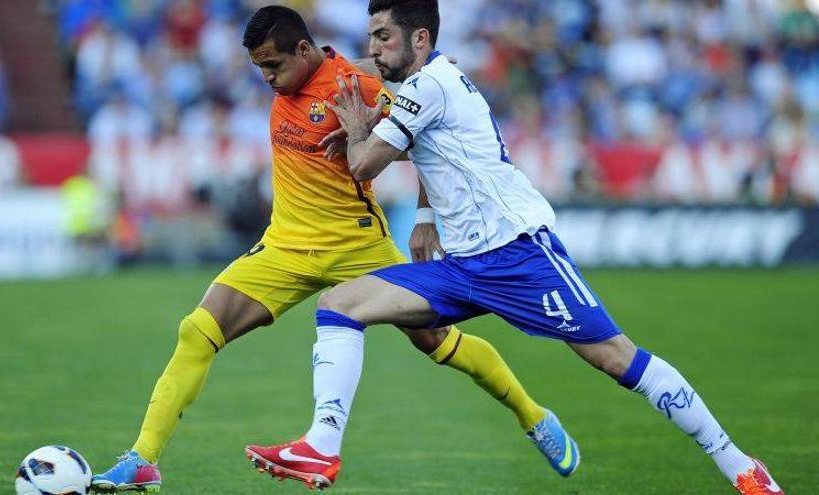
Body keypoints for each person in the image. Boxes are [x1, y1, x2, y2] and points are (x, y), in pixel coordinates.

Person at [244, 2, 784, 494]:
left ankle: (739, 464)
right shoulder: (426, 84)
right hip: (462, 266)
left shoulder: (428, 87)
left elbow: (363, 164)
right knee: (340, 304)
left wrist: (359, 127)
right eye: (370, 37)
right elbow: (420, 145)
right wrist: (426, 218)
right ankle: (322, 446)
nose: (374, 48)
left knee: (618, 360)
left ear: (420, 39)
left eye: (383, 36)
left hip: (520, 256)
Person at [91, 6, 574, 493]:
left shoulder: (358, 87)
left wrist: (426, 218)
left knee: (439, 342)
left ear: (303, 50)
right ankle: (143, 460)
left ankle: (532, 416)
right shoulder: (308, 78)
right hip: (285, 246)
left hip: (359, 247)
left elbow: (431, 142)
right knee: (197, 331)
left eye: (273, 65)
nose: (267, 78)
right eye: (259, 68)